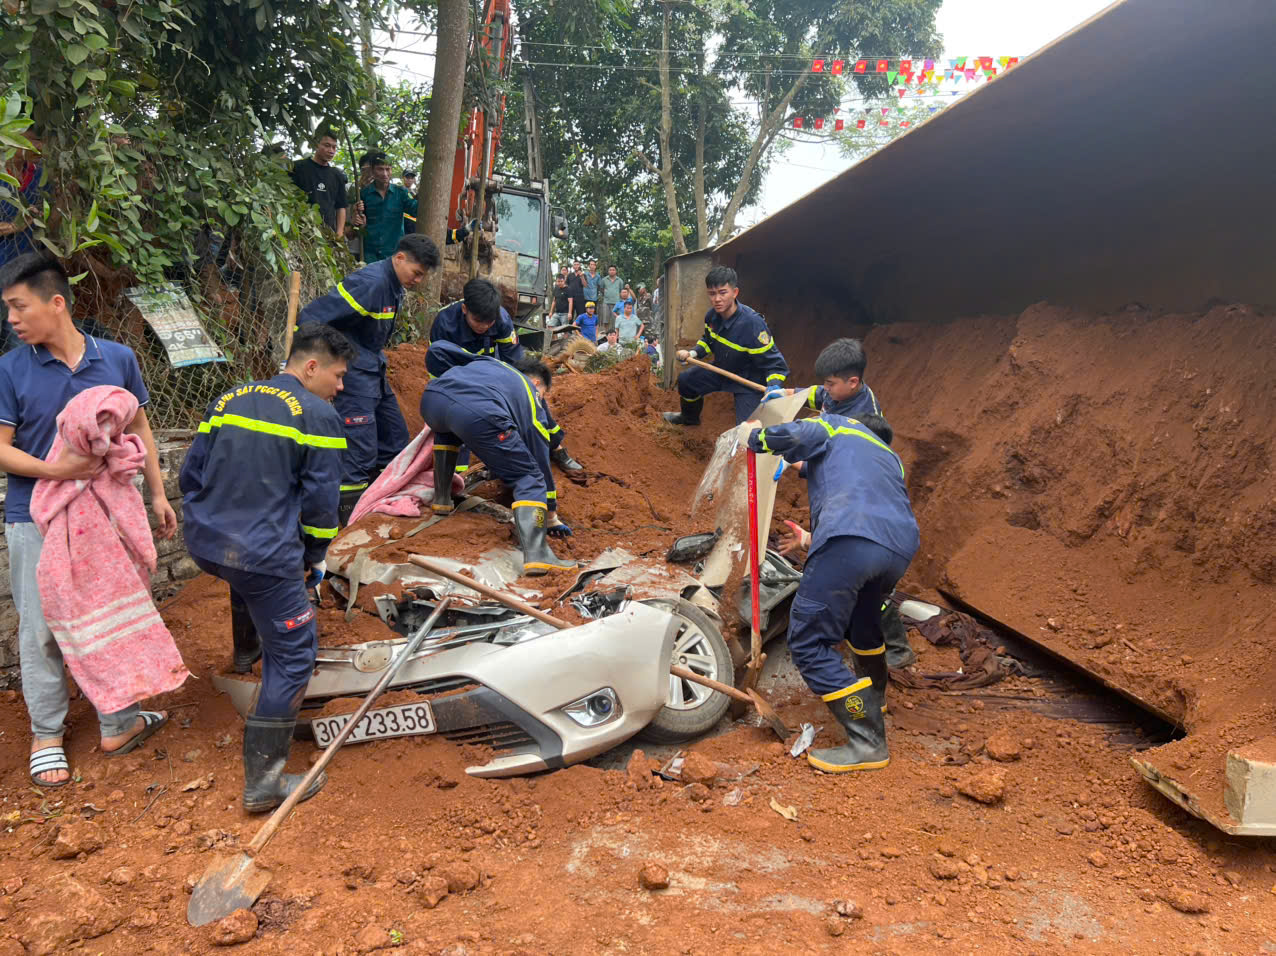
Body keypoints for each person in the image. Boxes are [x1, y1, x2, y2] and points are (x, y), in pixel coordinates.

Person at [0, 253, 176, 787]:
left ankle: (119, 722)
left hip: (108, 514)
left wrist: (158, 494)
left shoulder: (117, 358)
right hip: (35, 518)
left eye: (18, 306)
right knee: (42, 628)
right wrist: (58, 470)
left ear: (56, 303)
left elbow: (140, 429)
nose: (11, 319)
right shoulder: (11, 369)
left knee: (113, 614)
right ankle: (46, 734)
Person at [181, 323, 351, 812]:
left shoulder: (230, 397)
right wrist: (313, 556)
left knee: (248, 578)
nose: (341, 387)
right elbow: (321, 504)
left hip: (208, 543)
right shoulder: (318, 415)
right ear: (311, 367)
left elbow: (192, 473)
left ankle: (245, 653)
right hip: (261, 556)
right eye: (338, 376)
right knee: (294, 653)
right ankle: (265, 780)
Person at [746, 411, 918, 773]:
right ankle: (874, 697)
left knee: (808, 642)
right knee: (862, 624)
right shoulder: (888, 458)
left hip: (848, 539)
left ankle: (867, 739)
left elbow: (798, 435)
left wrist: (757, 438)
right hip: (899, 548)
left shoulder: (838, 424)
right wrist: (789, 460)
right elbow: (812, 463)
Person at [298, 233, 439, 519]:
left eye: (422, 275)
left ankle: (381, 503)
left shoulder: (393, 285)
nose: (418, 280)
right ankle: (346, 521)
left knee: (395, 439)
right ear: (400, 258)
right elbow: (311, 318)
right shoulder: (371, 283)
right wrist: (324, 363)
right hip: (354, 372)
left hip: (373, 367)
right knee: (359, 450)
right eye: (416, 273)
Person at [421, 341, 575, 576]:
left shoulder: (491, 364)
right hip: (478, 412)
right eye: (543, 395)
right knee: (529, 477)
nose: (541, 400)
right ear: (536, 384)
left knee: (448, 432)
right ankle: (538, 555)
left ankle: (442, 500)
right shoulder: (529, 390)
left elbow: (438, 349)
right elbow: (539, 451)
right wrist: (551, 513)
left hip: (433, 400)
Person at [430, 279, 582, 474]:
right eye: (478, 321)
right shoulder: (444, 324)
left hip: (492, 370)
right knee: (459, 415)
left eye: (489, 322)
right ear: (465, 309)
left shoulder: (501, 318)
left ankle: (556, 448)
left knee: (529, 393)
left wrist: (526, 386)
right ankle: (457, 473)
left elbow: (515, 360)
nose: (484, 327)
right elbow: (441, 373)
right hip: (458, 375)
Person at [663, 265, 789, 426]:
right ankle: (689, 418)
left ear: (735, 292)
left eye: (723, 293)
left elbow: (775, 364)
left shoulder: (752, 324)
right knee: (686, 380)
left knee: (747, 430)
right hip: (721, 370)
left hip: (747, 381)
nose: (717, 299)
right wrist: (692, 353)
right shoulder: (711, 317)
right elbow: (708, 341)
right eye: (712, 293)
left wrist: (774, 386)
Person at [784, 337, 881, 419]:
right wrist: (784, 393)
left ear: (853, 382)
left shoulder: (863, 421)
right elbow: (818, 394)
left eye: (830, 383)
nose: (826, 387)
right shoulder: (840, 393)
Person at [289, 131, 348, 237]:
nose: (331, 151)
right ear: (315, 144)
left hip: (327, 233)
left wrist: (339, 233)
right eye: (327, 145)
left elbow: (341, 206)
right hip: (300, 230)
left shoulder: (337, 175)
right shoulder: (297, 168)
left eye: (334, 147)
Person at [361, 154, 418, 263]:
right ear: (372, 170)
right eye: (380, 169)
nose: (385, 174)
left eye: (387, 169)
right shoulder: (364, 194)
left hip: (395, 253)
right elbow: (359, 222)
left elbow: (416, 210)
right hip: (371, 253)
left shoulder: (401, 193)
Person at [599, 265, 624, 333]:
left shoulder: (620, 280)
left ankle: (615, 334)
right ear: (608, 271)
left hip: (616, 303)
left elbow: (621, 291)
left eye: (613, 270)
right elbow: (601, 289)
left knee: (616, 320)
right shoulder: (604, 280)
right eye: (610, 270)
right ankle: (606, 333)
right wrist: (606, 294)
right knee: (605, 320)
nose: (612, 271)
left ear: (616, 271)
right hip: (606, 302)